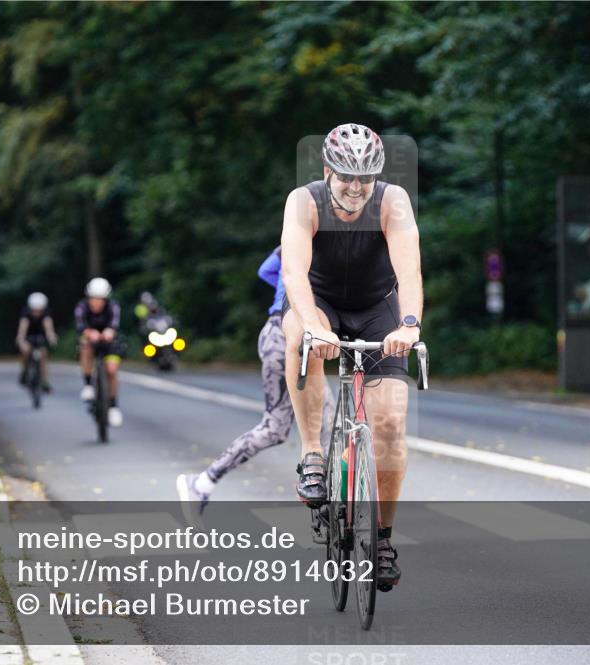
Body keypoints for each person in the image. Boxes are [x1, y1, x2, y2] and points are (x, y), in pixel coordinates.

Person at [281, 123, 423, 592]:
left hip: (377, 308)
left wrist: (409, 325)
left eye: (365, 178)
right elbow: (294, 273)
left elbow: (409, 270)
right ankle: (312, 453)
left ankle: (382, 539)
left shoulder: (392, 201)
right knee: (296, 335)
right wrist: (314, 325)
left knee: (390, 424)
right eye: (346, 176)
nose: (356, 187)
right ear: (328, 171)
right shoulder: (304, 201)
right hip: (319, 302)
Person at [176, 247, 335, 522]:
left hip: (290, 332)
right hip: (283, 335)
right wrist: (291, 296)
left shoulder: (297, 245)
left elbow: (265, 270)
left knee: (329, 421)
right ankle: (202, 482)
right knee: (276, 428)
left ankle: (326, 503)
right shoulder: (311, 243)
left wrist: (283, 291)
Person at [74, 278, 124, 427]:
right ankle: (88, 384)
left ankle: (113, 405)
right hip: (90, 338)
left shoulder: (113, 307)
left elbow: (114, 325)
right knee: (85, 346)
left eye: (100, 299)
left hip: (109, 341)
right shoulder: (81, 307)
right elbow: (81, 326)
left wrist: (109, 332)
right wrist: (90, 333)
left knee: (112, 370)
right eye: (93, 298)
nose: (96, 302)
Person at [16, 292, 58, 391]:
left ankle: (45, 381)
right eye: (34, 310)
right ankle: (24, 371)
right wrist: (21, 340)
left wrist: (51, 337)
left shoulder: (46, 314)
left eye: (39, 310)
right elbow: (22, 329)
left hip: (40, 335)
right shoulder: (25, 313)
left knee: (43, 354)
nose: (37, 313)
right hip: (28, 335)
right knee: (26, 351)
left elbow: (49, 327)